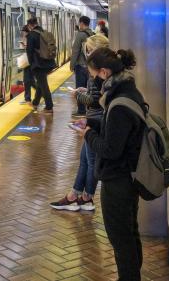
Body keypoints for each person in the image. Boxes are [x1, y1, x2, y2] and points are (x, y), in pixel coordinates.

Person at [77, 47, 144, 281]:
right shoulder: (126, 93)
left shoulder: (120, 103)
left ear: (105, 72)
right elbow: (116, 135)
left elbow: (111, 149)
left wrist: (88, 134)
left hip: (118, 179)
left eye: (95, 75)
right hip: (126, 175)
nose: (95, 80)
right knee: (129, 231)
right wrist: (95, 127)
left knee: (120, 237)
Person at [50, 34, 110, 212]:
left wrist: (77, 95)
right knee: (85, 160)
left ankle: (87, 198)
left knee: (91, 161)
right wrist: (85, 89)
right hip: (96, 118)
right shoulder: (103, 68)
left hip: (96, 120)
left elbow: (93, 101)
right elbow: (97, 95)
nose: (87, 53)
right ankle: (75, 195)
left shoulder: (99, 71)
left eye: (89, 50)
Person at [25, 17, 55, 113]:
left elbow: (29, 52)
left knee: (43, 85)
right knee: (40, 83)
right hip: (49, 63)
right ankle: (35, 102)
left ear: (30, 25)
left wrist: (31, 64)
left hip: (38, 64)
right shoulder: (45, 32)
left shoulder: (31, 35)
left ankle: (49, 106)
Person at [70, 16, 94, 118]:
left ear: (81, 23)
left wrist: (72, 64)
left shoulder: (80, 35)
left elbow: (75, 51)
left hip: (80, 66)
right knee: (88, 88)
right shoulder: (92, 34)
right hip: (89, 67)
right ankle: (89, 108)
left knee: (79, 88)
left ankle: (81, 110)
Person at [19, 25, 33, 104]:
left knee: (28, 81)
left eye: (23, 32)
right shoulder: (29, 38)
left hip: (29, 63)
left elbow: (31, 49)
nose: (23, 34)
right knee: (29, 81)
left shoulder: (29, 38)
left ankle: (28, 98)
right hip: (29, 62)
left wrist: (25, 46)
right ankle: (27, 97)